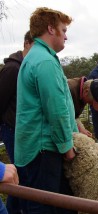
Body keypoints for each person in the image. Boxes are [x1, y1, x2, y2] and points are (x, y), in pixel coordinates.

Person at [14, 7, 78, 214]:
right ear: (51, 29)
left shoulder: (37, 57)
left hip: (39, 147)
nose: (66, 36)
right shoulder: (44, 62)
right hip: (44, 149)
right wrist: (67, 147)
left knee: (55, 204)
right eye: (63, 29)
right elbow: (56, 110)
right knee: (44, 207)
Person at [0, 30, 33, 214]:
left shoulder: (28, 67)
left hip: (22, 130)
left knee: (21, 173)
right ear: (27, 43)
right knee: (17, 174)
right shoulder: (13, 69)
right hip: (11, 129)